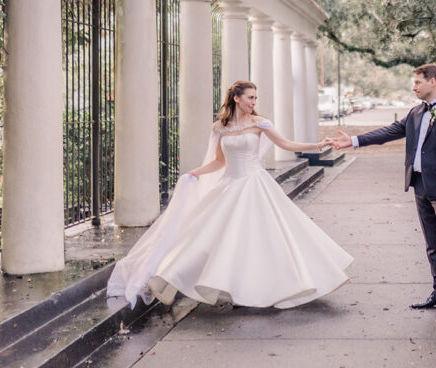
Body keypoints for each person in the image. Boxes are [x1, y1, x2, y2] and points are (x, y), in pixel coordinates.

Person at [107, 80, 353, 309]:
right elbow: (219, 162)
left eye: (255, 98)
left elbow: (286, 144)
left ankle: (275, 286)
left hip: (255, 184)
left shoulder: (259, 123)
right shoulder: (220, 127)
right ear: (236, 98)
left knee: (265, 237)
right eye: (250, 97)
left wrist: (318, 145)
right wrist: (195, 173)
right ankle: (228, 286)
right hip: (230, 184)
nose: (253, 102)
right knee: (218, 239)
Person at [328, 64, 436, 317]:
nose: (414, 86)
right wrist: (353, 141)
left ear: (433, 82)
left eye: (418, 82)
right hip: (419, 185)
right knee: (432, 243)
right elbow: (389, 132)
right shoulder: (415, 113)